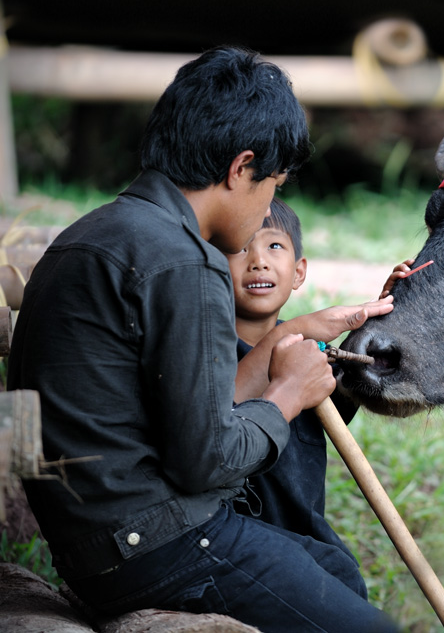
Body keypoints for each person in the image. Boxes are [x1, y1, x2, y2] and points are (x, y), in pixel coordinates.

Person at [7, 46, 398, 633]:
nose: (267, 208)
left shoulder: (88, 235)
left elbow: (182, 409)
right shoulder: (183, 261)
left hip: (96, 544)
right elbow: (205, 461)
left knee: (332, 570)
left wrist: (287, 337)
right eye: (271, 186)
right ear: (242, 169)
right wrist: (287, 394)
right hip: (160, 544)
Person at [225, 198, 373, 596]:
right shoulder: (209, 355)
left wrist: (383, 314)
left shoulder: (311, 351)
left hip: (305, 535)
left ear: (298, 272)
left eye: (274, 246)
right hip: (238, 539)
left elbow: (346, 394)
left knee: (346, 583)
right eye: (240, 248)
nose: (258, 261)